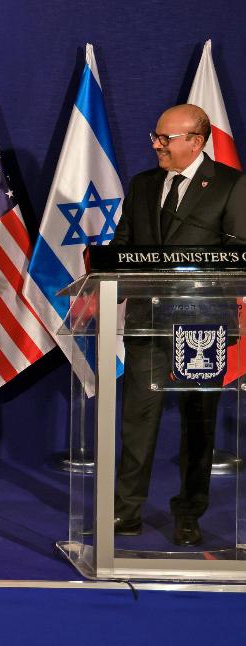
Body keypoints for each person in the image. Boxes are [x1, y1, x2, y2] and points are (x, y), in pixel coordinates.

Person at [110, 103, 246, 547]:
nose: (156, 145)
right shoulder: (143, 184)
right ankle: (125, 512)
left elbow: (239, 255)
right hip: (148, 320)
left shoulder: (231, 185)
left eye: (165, 139)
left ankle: (189, 512)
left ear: (196, 141)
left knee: (198, 421)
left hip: (202, 325)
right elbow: (124, 246)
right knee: (136, 419)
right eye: (156, 136)